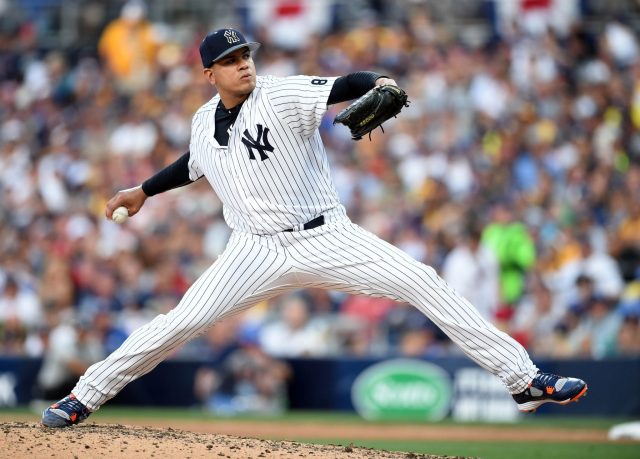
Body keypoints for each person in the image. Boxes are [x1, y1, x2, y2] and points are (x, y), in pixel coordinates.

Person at [42, 28, 587, 427]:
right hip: (252, 250)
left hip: (325, 235)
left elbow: (346, 84)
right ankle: (83, 396)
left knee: (424, 280)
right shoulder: (203, 121)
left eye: (245, 54)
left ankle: (523, 381)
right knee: (178, 323)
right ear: (209, 74)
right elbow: (194, 163)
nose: (243, 65)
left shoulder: (280, 94)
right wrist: (143, 191)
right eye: (230, 60)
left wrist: (380, 81)